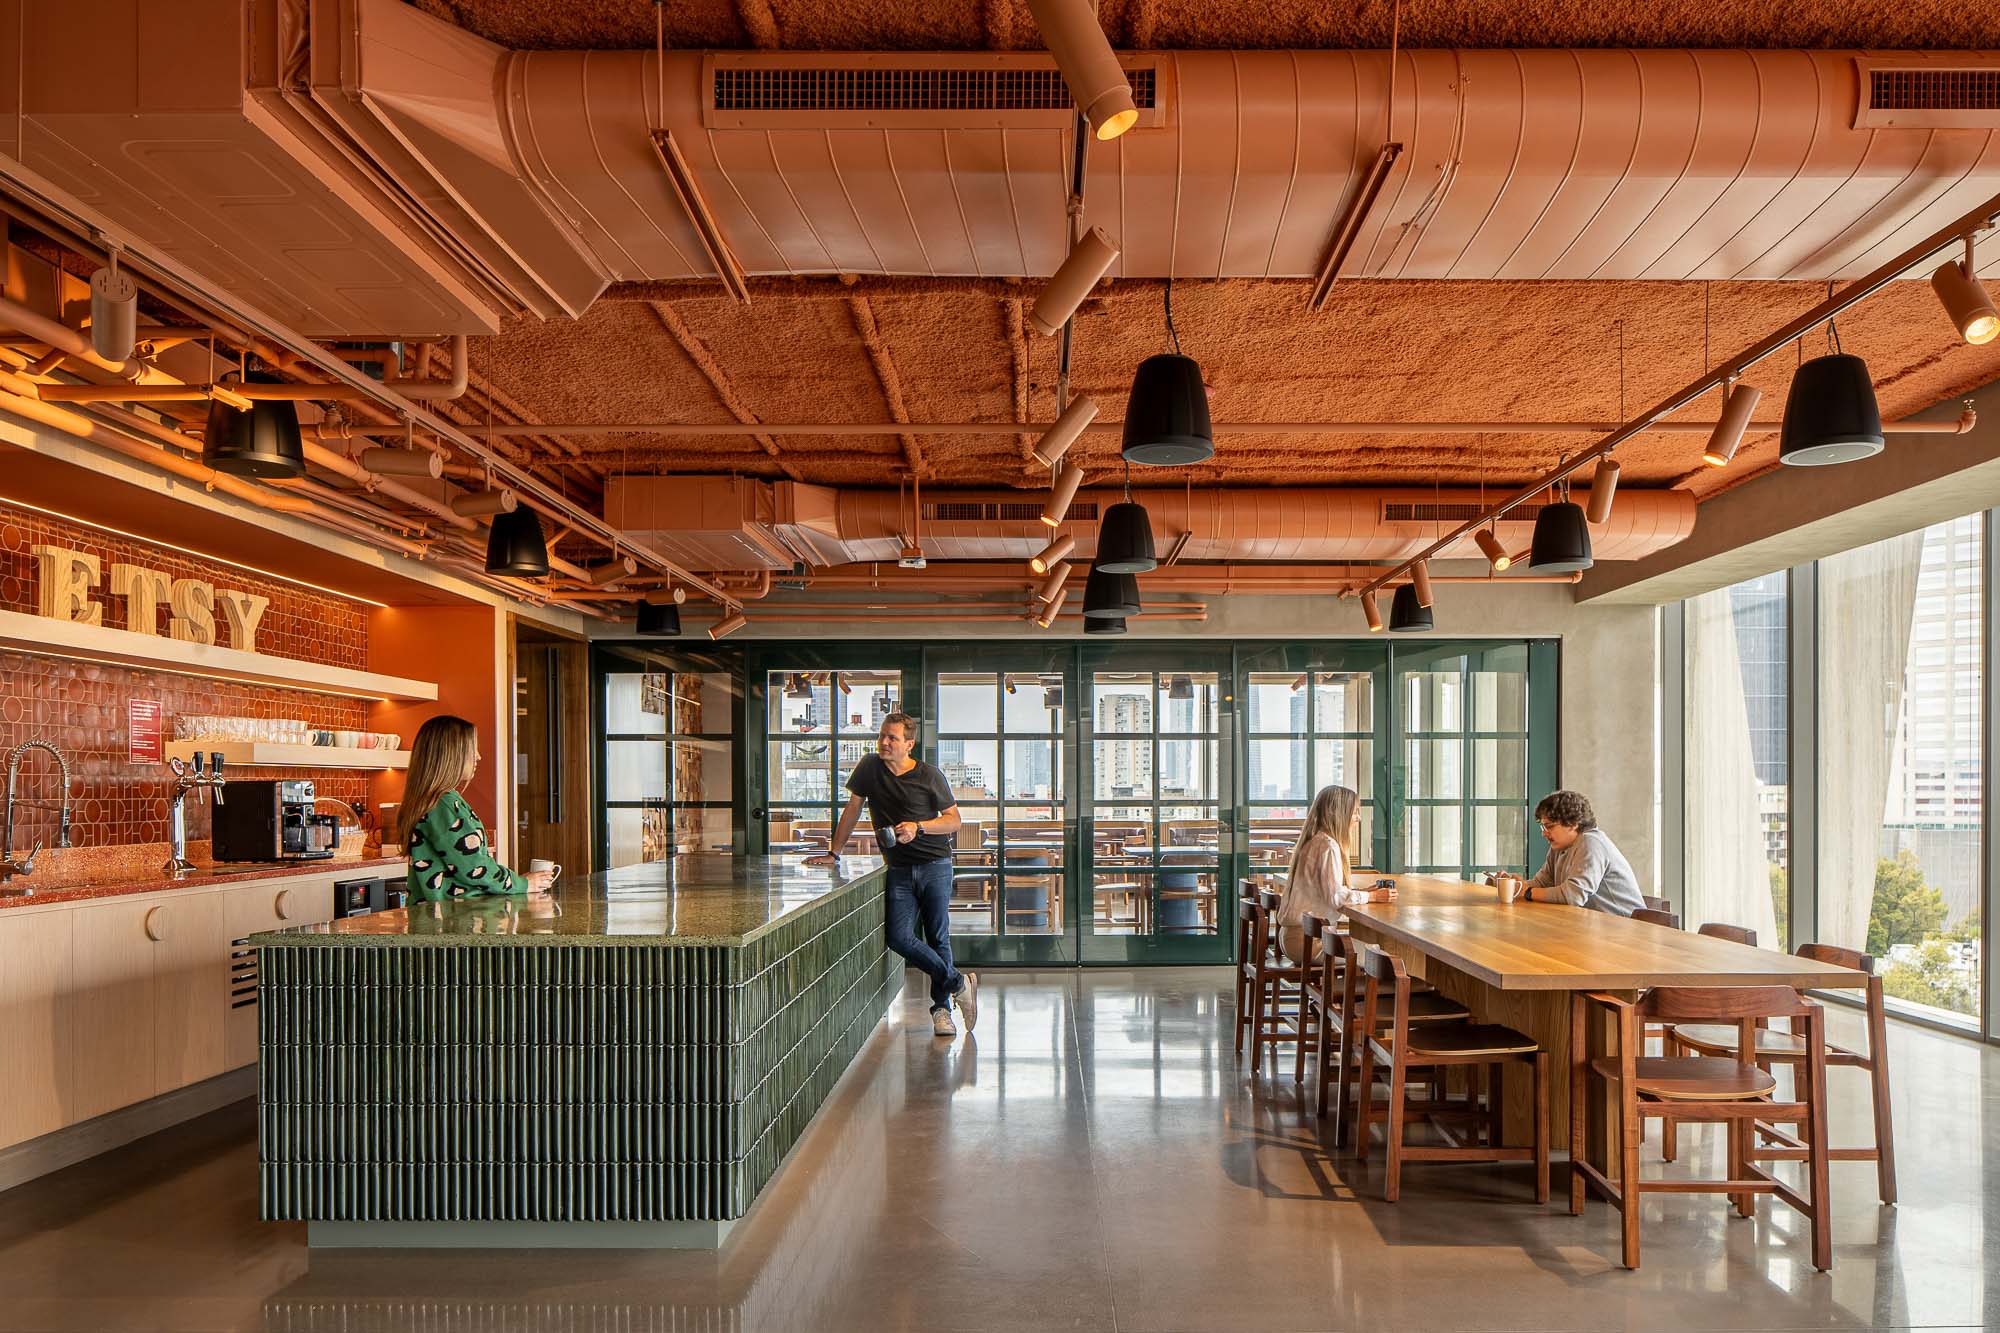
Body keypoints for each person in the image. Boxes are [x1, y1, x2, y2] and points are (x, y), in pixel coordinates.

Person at [806, 713, 977, 1038]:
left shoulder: (929, 776)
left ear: (908, 745)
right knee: (898, 938)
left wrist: (919, 827)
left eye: (893, 738)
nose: (884, 742)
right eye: (883, 736)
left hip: (935, 865)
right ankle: (959, 983)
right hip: (899, 869)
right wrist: (834, 852)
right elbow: (853, 810)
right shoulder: (870, 768)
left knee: (937, 938)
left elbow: (954, 821)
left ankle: (941, 1011)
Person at [395, 715, 554, 903]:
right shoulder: (443, 804)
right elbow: (474, 868)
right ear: (450, 753)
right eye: (471, 749)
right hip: (453, 921)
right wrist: (522, 884)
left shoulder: (437, 801)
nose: (478, 756)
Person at [1273, 784, 1396, 965]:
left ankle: (1357, 992)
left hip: (1296, 938)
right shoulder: (1328, 846)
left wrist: (1363, 893)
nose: (1358, 818)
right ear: (1339, 814)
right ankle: (1372, 993)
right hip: (1310, 944)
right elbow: (1336, 898)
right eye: (1354, 812)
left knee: (1377, 951)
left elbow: (1330, 891)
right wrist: (1371, 896)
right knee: (1383, 954)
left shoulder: (1317, 841)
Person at [1524, 789, 1644, 916]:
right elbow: (1542, 883)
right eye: (1543, 827)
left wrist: (1528, 892)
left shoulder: (1591, 843)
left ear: (1572, 823)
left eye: (1550, 826)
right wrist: (1515, 885)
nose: (1544, 833)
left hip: (1627, 929)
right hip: (1595, 927)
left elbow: (1573, 896)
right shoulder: (1560, 847)